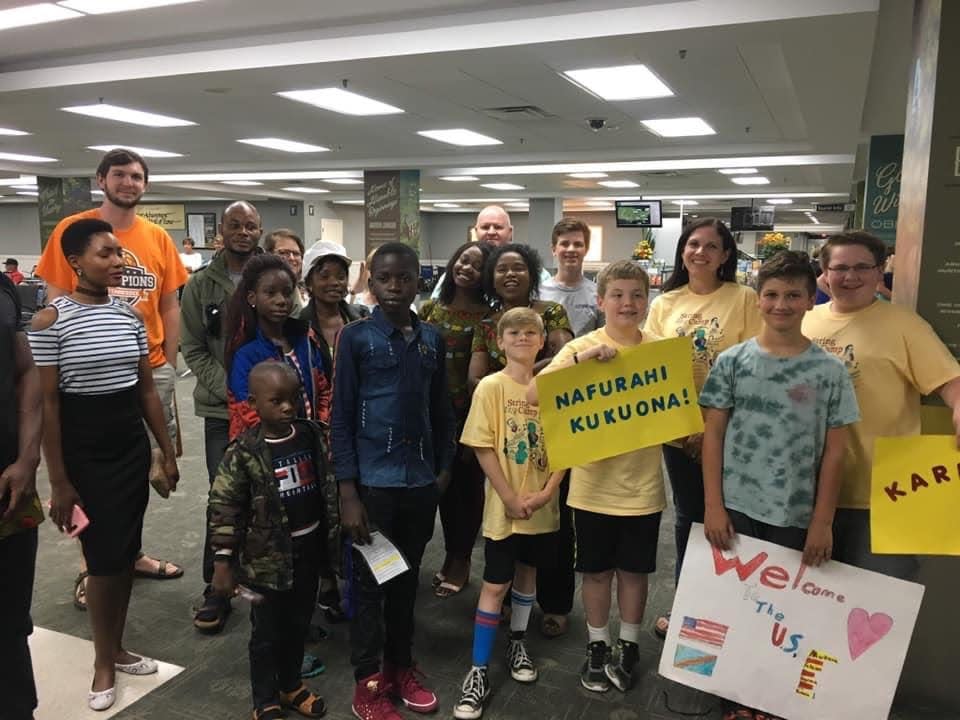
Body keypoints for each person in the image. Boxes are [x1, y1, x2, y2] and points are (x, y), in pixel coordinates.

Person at [699, 251, 859, 720]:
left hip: (795, 511)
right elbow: (714, 434)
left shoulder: (829, 371)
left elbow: (836, 450)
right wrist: (713, 505)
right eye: (771, 294)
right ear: (758, 299)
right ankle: (732, 695)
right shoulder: (732, 361)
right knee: (735, 605)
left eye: (793, 295)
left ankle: (769, 697)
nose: (781, 304)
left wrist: (822, 522)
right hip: (736, 507)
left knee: (783, 613)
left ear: (812, 300)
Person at [29, 218, 179, 711]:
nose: (118, 261)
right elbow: (47, 405)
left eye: (119, 253)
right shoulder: (51, 320)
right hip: (84, 456)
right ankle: (102, 659)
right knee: (102, 561)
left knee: (125, 552)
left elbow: (145, 391)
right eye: (105, 254)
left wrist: (166, 448)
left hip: (129, 449)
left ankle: (116, 646)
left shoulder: (129, 316)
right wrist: (59, 480)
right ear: (74, 262)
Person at [34, 148, 188, 607]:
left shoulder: (157, 237)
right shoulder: (73, 231)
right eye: (119, 174)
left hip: (148, 366)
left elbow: (169, 303)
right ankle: (92, 566)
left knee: (139, 467)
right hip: (85, 373)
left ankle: (130, 554)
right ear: (101, 179)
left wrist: (168, 361)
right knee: (88, 475)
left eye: (137, 176)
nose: (129, 182)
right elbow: (56, 296)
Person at [528, 260, 665, 693]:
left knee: (635, 572)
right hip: (590, 488)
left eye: (637, 295)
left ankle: (628, 644)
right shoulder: (579, 348)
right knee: (596, 573)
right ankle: (598, 644)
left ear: (647, 301)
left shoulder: (661, 351)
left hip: (643, 487)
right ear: (601, 300)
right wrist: (584, 361)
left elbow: (683, 408)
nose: (627, 303)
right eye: (618, 295)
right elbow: (534, 393)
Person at [331, 242, 455, 720]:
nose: (395, 287)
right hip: (373, 488)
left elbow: (441, 411)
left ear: (417, 281)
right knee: (369, 587)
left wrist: (442, 471)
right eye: (385, 279)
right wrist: (348, 492)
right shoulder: (357, 339)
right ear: (372, 281)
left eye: (404, 278)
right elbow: (341, 418)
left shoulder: (433, 339)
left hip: (419, 486)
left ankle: (401, 666)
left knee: (406, 583)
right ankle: (369, 682)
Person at [803, 231, 960, 579]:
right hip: (805, 488)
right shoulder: (804, 320)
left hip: (886, 493)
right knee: (807, 604)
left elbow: (950, 381)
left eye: (862, 267)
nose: (850, 277)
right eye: (840, 268)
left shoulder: (905, 325)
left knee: (879, 603)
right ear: (824, 274)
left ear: (880, 272)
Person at [643, 217, 762, 638]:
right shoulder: (664, 303)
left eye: (711, 246)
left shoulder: (744, 298)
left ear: (725, 255)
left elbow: (753, 365)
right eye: (693, 244)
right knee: (689, 516)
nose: (700, 252)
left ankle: (735, 606)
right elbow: (655, 370)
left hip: (732, 429)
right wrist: (687, 426)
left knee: (735, 516)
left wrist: (711, 424)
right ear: (682, 251)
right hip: (680, 432)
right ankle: (687, 603)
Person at [208, 362, 338, 720]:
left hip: (308, 549)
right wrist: (222, 563)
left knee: (299, 624)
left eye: (293, 399)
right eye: (276, 400)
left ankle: (291, 684)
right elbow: (224, 508)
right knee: (266, 632)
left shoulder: (311, 435)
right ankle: (265, 698)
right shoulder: (243, 452)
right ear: (253, 404)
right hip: (266, 559)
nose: (287, 407)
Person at [453, 307, 564, 720]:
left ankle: (517, 641)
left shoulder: (553, 387)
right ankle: (478, 669)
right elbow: (482, 447)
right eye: (513, 332)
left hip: (543, 505)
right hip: (505, 507)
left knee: (529, 575)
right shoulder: (491, 388)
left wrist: (548, 490)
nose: (522, 337)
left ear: (542, 340)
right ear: (499, 342)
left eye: (530, 332)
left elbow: (568, 445)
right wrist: (509, 496)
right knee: (494, 584)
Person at [468, 242, 574, 635]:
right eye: (501, 269)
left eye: (518, 268)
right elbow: (475, 375)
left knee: (554, 528)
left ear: (532, 273)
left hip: (549, 427)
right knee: (507, 534)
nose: (510, 275)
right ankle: (511, 612)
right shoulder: (487, 322)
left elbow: (565, 356)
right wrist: (514, 380)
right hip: (502, 428)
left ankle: (556, 605)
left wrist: (533, 377)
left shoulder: (551, 311)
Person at [181, 200, 263, 634]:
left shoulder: (272, 277)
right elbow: (192, 348)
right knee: (224, 496)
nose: (243, 232)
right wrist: (232, 390)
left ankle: (265, 578)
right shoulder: (200, 285)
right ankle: (217, 584)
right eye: (235, 225)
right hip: (220, 410)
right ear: (222, 231)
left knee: (268, 496)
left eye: (251, 225)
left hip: (270, 412)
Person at [300, 241, 369, 625]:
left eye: (340, 275)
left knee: (352, 502)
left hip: (356, 427)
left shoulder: (360, 319)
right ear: (308, 281)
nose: (333, 282)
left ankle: (353, 576)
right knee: (317, 508)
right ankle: (326, 580)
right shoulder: (295, 324)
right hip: (312, 429)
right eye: (323, 275)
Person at [419, 241, 492, 599]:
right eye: (464, 259)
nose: (467, 268)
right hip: (430, 415)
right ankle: (449, 555)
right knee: (442, 489)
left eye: (477, 265)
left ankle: (461, 559)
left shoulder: (488, 318)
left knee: (468, 488)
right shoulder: (431, 309)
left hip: (471, 415)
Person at [0, 271, 43, 720]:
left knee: (12, 619)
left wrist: (28, 458)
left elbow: (26, 371)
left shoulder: (3, 289)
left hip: (10, 486)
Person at [223, 254, 320, 439]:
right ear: (252, 297)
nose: (281, 300)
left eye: (287, 292)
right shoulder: (246, 353)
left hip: (310, 443)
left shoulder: (305, 340)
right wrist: (284, 439)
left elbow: (321, 388)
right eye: (270, 293)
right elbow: (247, 408)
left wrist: (319, 430)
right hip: (267, 448)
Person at [539, 218, 601, 337]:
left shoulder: (598, 294)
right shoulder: (539, 293)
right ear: (553, 249)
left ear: (586, 250)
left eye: (578, 244)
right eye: (564, 244)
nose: (571, 249)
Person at [265, 228, 308, 307]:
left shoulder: (305, 287)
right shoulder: (265, 292)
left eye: (296, 253)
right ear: (268, 255)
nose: (292, 258)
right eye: (283, 253)